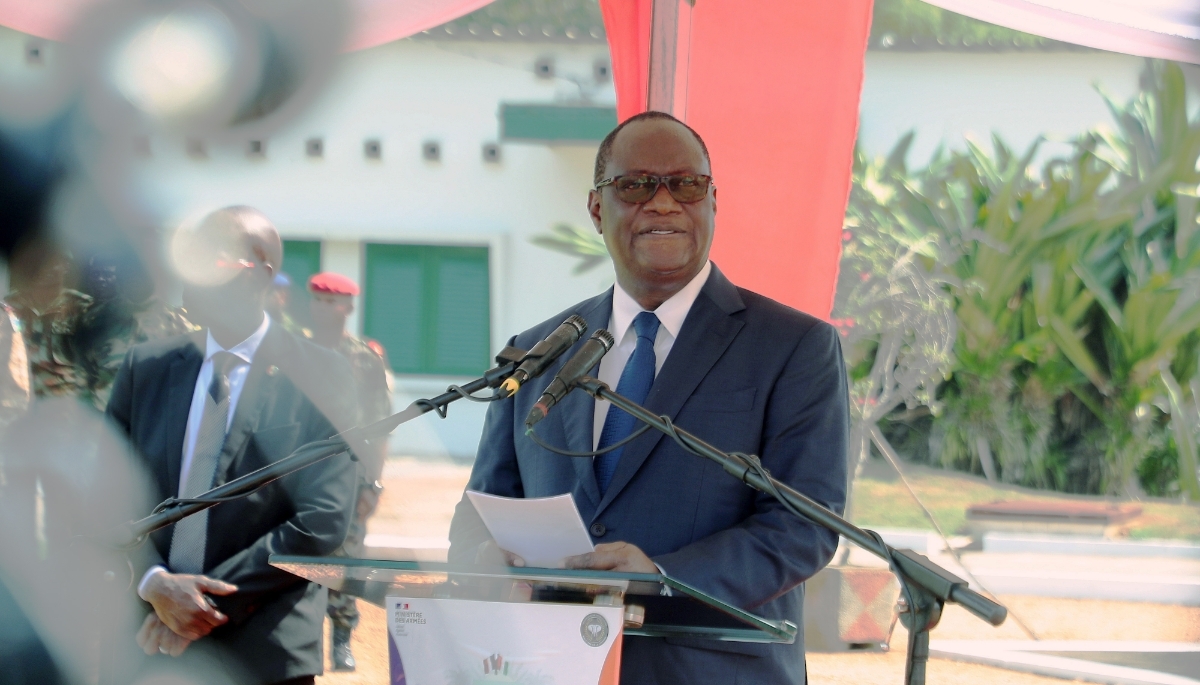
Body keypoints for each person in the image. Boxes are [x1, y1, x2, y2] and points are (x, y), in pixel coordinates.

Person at [447, 112, 849, 684]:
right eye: (635, 186)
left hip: (710, 669)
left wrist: (661, 575)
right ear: (595, 209)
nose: (663, 204)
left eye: (686, 185)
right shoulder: (537, 352)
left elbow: (803, 528)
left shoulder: (793, 347)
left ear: (713, 202)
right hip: (550, 666)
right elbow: (479, 514)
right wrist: (487, 565)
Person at [106, 206, 359, 685]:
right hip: (147, 641)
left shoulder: (322, 375)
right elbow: (104, 494)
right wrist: (155, 584)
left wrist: (201, 606)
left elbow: (322, 518)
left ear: (260, 274)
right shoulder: (146, 368)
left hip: (263, 646)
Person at [306, 271, 391, 672]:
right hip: (297, 474)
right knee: (294, 558)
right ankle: (302, 638)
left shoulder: (364, 358)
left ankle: (341, 638)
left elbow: (380, 425)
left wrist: (373, 483)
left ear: (349, 306)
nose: (325, 308)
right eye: (319, 301)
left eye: (333, 301)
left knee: (346, 558)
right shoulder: (292, 352)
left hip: (347, 474)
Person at [77, 251, 198, 412]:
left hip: (154, 421)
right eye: (127, 275)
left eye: (140, 276)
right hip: (105, 421)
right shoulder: (94, 320)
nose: (134, 281)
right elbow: (81, 376)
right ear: (119, 279)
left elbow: (188, 381)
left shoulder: (177, 324)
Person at [5, 240, 91, 400]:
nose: (46, 268)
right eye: (39, 262)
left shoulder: (84, 309)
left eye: (55, 260)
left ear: (66, 265)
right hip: (17, 406)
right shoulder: (8, 309)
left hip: (69, 408)